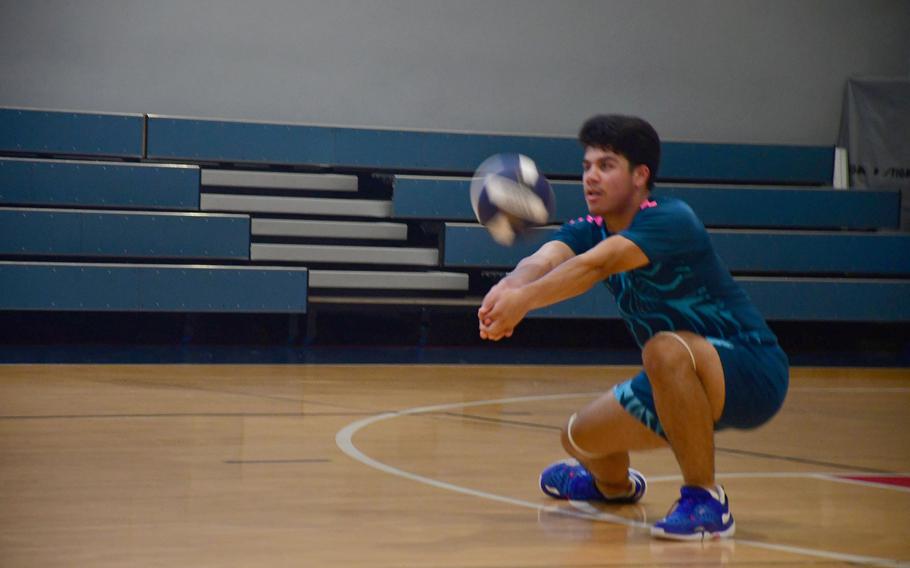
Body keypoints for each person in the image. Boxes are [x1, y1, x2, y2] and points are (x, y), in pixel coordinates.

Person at [477, 114, 789, 540]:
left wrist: (524, 303)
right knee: (578, 438)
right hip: (674, 376)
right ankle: (615, 488)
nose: (591, 177)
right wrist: (507, 288)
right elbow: (546, 259)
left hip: (749, 366)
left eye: (606, 166)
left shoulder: (671, 218)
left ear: (640, 175)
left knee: (663, 348)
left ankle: (705, 501)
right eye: (586, 166)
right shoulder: (592, 227)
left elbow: (597, 264)